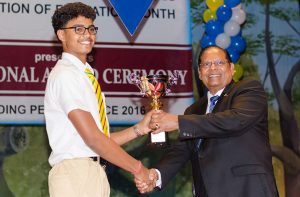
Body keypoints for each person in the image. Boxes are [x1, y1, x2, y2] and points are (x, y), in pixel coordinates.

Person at [136, 45, 279, 197]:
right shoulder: (193, 110)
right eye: (206, 64)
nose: (212, 68)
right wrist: (156, 174)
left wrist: (178, 122)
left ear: (232, 68)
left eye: (219, 63)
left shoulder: (248, 90)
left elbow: (235, 120)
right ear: (199, 73)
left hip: (247, 189)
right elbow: (181, 151)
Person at [44, 2, 154, 197]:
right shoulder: (66, 75)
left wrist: (139, 129)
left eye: (91, 28)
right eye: (78, 29)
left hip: (92, 171)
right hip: (77, 174)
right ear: (61, 34)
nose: (87, 34)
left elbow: (99, 139)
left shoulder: (85, 76)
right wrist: (138, 168)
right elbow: (93, 139)